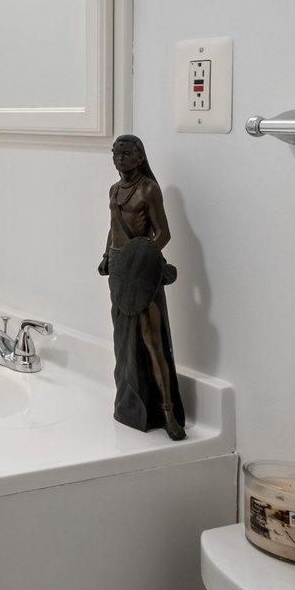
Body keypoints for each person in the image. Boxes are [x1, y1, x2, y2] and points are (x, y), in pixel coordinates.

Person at [97, 134, 185, 440]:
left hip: (140, 270)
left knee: (151, 340)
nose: (119, 159)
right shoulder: (114, 190)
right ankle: (130, 402)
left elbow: (163, 234)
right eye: (115, 153)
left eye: (126, 154)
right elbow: (113, 227)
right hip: (118, 268)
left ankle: (167, 411)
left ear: (140, 157)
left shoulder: (148, 189)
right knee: (123, 341)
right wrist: (106, 256)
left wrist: (141, 258)